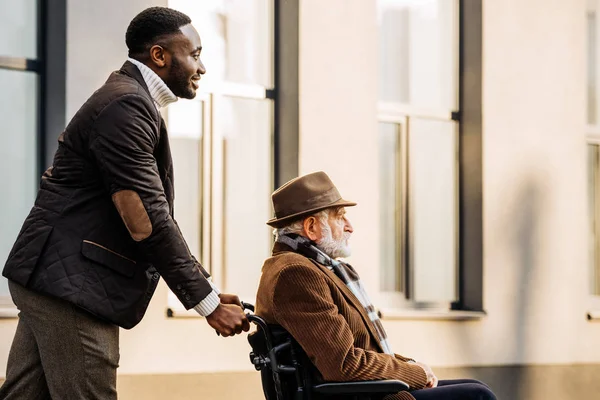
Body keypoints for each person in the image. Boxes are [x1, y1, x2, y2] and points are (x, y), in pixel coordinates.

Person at [0, 7, 249, 400]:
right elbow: (147, 218)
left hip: (52, 279)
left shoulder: (130, 102)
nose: (202, 67)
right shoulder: (125, 107)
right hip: (73, 287)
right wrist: (206, 302)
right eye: (195, 54)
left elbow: (151, 214)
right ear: (159, 55)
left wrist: (209, 288)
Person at [255, 171, 496, 400]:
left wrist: (410, 365)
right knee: (477, 395)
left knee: (477, 388)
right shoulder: (296, 274)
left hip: (366, 390)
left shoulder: (317, 269)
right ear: (311, 227)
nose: (350, 226)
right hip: (360, 394)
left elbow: (362, 349)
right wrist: (415, 373)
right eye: (340, 217)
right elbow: (343, 365)